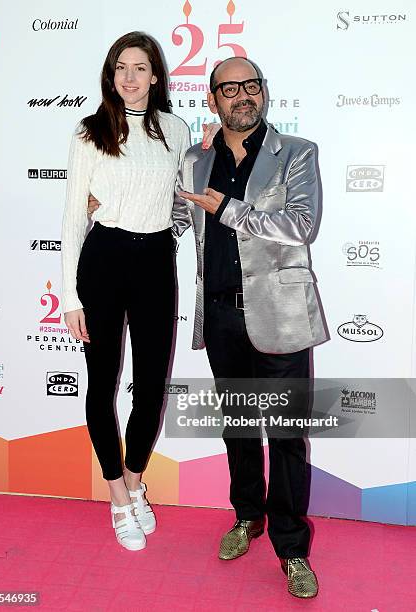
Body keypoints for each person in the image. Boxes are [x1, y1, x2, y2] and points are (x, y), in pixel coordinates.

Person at [173, 56, 328, 598]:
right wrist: (112, 206)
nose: (242, 96)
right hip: (220, 316)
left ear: (264, 92)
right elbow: (175, 216)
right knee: (239, 430)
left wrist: (229, 208)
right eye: (229, 88)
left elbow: (302, 225)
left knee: (287, 438)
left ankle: (291, 549)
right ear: (211, 99)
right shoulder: (194, 159)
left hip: (281, 317)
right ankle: (247, 517)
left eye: (251, 86)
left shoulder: (297, 153)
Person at [61, 31, 217, 551]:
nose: (129, 77)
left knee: (151, 385)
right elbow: (69, 219)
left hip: (155, 260)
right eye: (120, 68)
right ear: (111, 75)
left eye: (140, 68)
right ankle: (117, 498)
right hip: (102, 259)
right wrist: (70, 297)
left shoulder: (175, 128)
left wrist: (208, 149)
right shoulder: (90, 131)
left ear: (156, 76)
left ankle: (134, 480)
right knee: (101, 383)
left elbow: (182, 189)